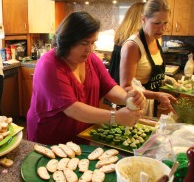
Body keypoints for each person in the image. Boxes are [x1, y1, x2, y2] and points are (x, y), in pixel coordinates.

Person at [26, 11, 146, 145]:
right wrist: (115, 117)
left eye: (92, 42)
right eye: (84, 43)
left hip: (80, 136)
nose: (90, 49)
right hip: (50, 138)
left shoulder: (90, 59)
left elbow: (109, 87)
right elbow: (72, 109)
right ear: (67, 41)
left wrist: (128, 98)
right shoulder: (49, 64)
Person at [119, 0, 177, 117]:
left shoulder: (157, 40)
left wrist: (167, 80)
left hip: (151, 102)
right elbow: (125, 87)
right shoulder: (133, 46)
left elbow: (150, 73)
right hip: (134, 105)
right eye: (156, 23)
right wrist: (156, 95)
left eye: (165, 23)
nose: (162, 28)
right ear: (144, 19)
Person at [109, 1, 145, 84]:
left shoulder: (121, 35)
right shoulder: (135, 42)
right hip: (129, 91)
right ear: (142, 19)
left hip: (114, 87)